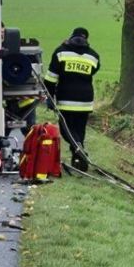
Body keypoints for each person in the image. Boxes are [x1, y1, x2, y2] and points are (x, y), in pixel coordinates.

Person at [44, 27, 101, 172]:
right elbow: (95, 69)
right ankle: (77, 158)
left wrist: (50, 97)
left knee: (66, 129)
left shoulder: (61, 52)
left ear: (71, 36)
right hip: (85, 100)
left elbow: (50, 78)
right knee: (79, 129)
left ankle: (77, 147)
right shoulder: (93, 56)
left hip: (66, 99)